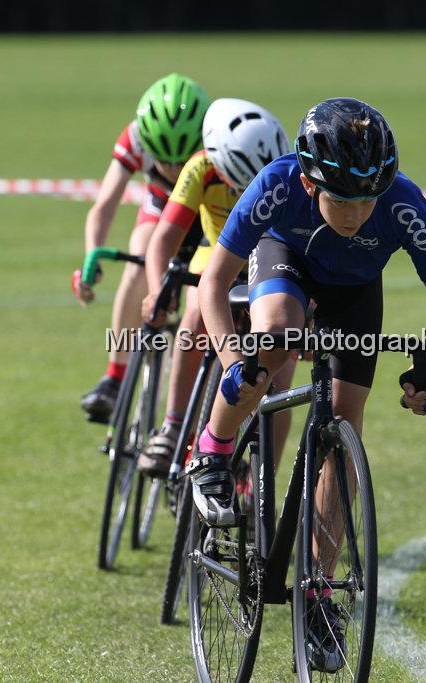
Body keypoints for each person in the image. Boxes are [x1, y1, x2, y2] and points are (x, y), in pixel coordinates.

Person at [190, 97, 426, 671]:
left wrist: (423, 370)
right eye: (342, 199)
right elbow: (212, 284)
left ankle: (319, 591)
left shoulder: (403, 204)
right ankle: (212, 450)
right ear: (310, 183)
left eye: (368, 200)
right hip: (285, 257)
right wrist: (232, 356)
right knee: (276, 336)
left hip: (355, 291)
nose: (356, 213)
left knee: (344, 425)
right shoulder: (277, 186)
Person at [134, 98, 294, 477]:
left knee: (281, 376)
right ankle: (174, 427)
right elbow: (163, 241)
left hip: (267, 259)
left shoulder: (287, 173)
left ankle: (259, 485)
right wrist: (159, 292)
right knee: (193, 319)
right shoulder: (201, 168)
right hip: (217, 253)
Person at [72, 73, 209, 423]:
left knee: (203, 294)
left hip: (206, 215)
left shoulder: (213, 141)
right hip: (162, 209)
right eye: (167, 162)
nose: (177, 170)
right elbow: (104, 205)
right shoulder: (136, 138)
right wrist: (92, 255)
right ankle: (115, 377)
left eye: (185, 161)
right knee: (139, 262)